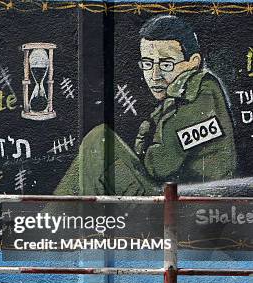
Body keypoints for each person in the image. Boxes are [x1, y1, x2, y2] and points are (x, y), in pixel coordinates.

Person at [55, 15, 236, 196]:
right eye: (148, 64)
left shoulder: (199, 95)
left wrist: (145, 141)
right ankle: (67, 219)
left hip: (188, 207)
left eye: (166, 64)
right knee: (100, 143)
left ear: (193, 62)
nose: (154, 74)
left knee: (98, 145)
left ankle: (57, 220)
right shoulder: (191, 94)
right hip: (178, 198)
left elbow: (158, 166)